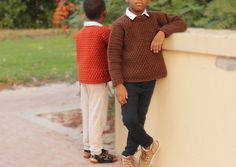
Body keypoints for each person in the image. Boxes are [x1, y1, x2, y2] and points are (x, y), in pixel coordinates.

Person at [108, 0, 187, 166]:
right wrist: (118, 84)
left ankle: (128, 155)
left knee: (139, 119)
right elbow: (113, 56)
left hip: (149, 78)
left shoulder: (155, 18)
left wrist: (162, 32)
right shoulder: (120, 25)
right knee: (129, 119)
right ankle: (150, 144)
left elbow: (180, 23)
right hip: (128, 82)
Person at [74, 0, 117, 163]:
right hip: (97, 80)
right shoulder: (104, 32)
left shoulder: (80, 33)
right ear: (104, 13)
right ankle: (97, 152)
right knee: (97, 116)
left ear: (85, 14)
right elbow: (115, 47)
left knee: (87, 112)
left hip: (84, 78)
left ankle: (88, 147)